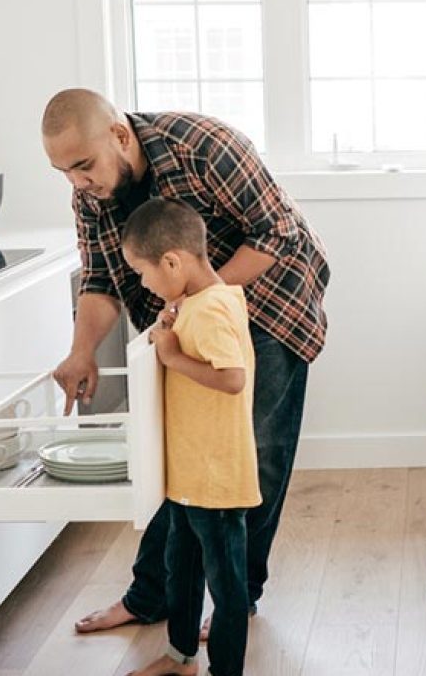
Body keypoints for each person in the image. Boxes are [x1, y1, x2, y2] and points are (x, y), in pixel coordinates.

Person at [40, 89, 330, 638]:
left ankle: (234, 601)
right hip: (184, 317)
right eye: (64, 172)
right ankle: (152, 596)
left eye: (83, 165)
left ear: (120, 136)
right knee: (178, 463)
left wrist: (202, 300)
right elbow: (100, 279)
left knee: (255, 458)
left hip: (271, 302)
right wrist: (81, 351)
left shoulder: (205, 146)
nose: (78, 183)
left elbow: (277, 233)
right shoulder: (90, 197)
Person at [121, 199, 258, 676]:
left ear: (173, 262)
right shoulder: (202, 302)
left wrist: (172, 355)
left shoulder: (211, 310)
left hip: (216, 478)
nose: (143, 283)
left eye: (142, 272)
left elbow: (233, 377)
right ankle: (181, 657)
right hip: (191, 475)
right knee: (182, 568)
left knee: (226, 585)